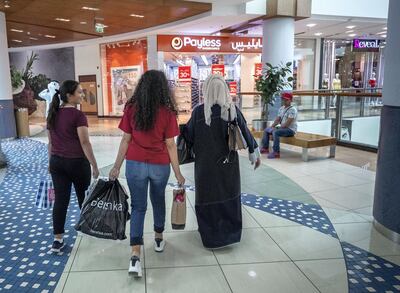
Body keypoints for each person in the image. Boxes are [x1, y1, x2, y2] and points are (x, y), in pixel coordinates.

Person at [108, 70, 185, 277]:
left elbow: (125, 140)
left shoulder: (132, 108)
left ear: (142, 86)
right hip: (159, 165)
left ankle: (135, 256)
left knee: (138, 207)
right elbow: (170, 145)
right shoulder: (168, 112)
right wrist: (178, 173)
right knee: (158, 200)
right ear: (163, 88)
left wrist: (116, 166)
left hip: (134, 164)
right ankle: (158, 238)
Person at [184, 74, 261, 249]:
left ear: (207, 90)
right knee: (228, 197)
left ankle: (210, 236)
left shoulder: (199, 112)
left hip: (205, 167)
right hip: (228, 165)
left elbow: (188, 136)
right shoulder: (232, 111)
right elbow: (246, 132)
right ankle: (229, 234)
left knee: (207, 198)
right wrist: (254, 154)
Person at [47, 80, 99, 253]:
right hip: (77, 163)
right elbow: (85, 142)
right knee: (83, 198)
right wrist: (95, 165)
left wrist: (50, 162)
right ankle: (88, 230)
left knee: (60, 201)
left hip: (57, 162)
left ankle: (57, 240)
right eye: (79, 92)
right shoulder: (78, 116)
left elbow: (50, 143)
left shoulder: (52, 114)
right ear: (69, 96)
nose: (82, 95)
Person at [260, 92, 298, 159]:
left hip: (290, 130)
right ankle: (265, 148)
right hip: (282, 128)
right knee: (266, 130)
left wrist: (276, 128)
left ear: (291, 100)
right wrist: (272, 126)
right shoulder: (281, 108)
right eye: (283, 99)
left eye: (287, 100)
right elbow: (277, 119)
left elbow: (287, 124)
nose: (284, 101)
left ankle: (276, 152)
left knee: (275, 132)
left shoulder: (293, 110)